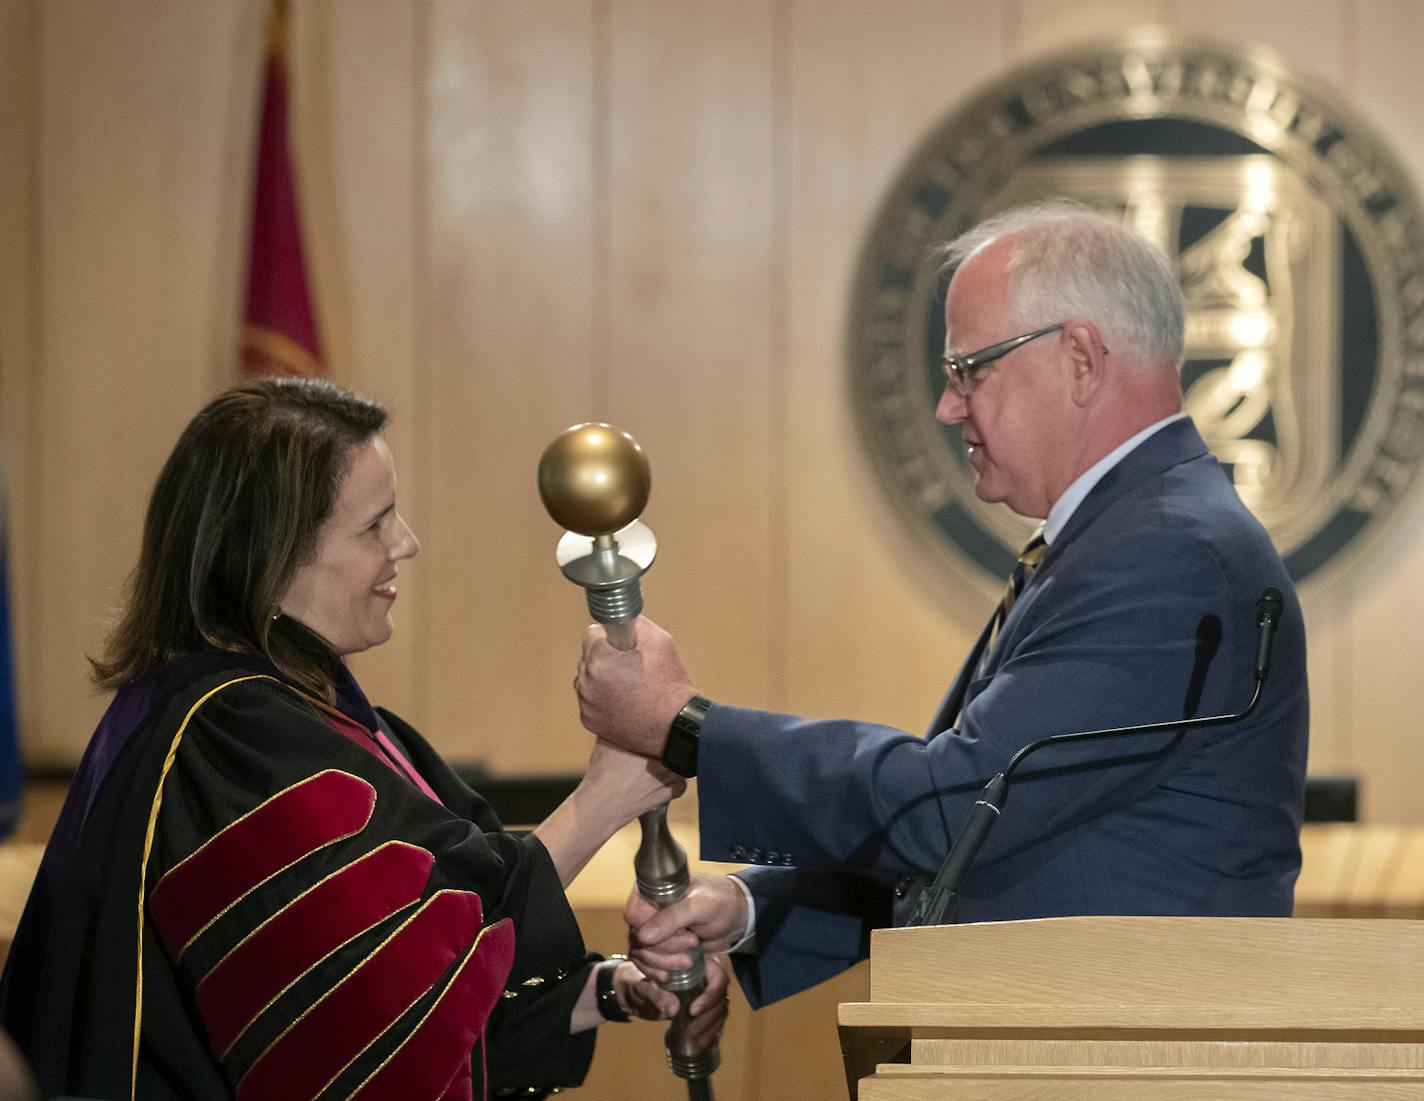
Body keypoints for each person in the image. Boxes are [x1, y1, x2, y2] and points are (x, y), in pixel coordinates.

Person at [574, 200, 1309, 1009]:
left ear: (1080, 358)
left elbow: (959, 807)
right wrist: (751, 908)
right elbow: (991, 845)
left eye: (970, 368)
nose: (947, 405)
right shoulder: (1134, 531)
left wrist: (688, 728)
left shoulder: (1166, 552)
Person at [0, 378, 727, 1099]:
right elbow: (376, 1004)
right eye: (374, 523)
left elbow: (400, 1013)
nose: (406, 543)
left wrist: (609, 990)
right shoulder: (227, 741)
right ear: (272, 556)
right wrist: (601, 801)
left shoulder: (303, 712)